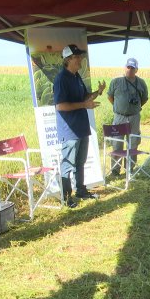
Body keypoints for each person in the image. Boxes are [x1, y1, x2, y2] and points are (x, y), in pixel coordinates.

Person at [54, 44, 106, 207]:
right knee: (68, 164)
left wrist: (98, 92)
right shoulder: (61, 78)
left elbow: (84, 98)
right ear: (68, 59)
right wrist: (84, 105)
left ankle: (81, 190)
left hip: (82, 127)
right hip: (70, 130)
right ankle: (66, 198)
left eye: (81, 56)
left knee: (80, 161)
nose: (81, 59)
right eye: (78, 57)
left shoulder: (77, 77)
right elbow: (61, 106)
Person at [107, 58, 149, 175]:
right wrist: (119, 108)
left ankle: (129, 169)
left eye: (132, 68)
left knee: (133, 143)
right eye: (128, 67)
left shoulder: (141, 83)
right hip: (119, 117)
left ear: (136, 70)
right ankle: (115, 170)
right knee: (117, 142)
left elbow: (144, 99)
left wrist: (134, 108)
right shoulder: (116, 82)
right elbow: (110, 97)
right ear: (125, 67)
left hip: (134, 117)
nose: (130, 70)